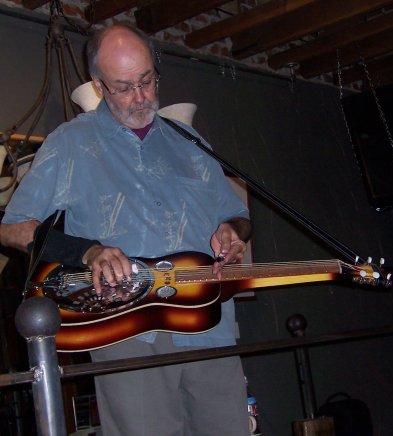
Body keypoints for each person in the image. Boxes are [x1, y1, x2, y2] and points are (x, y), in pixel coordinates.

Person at [0, 24, 252, 435]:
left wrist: (231, 230)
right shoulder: (69, 143)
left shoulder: (189, 140)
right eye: (123, 87)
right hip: (128, 329)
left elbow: (236, 214)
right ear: (98, 86)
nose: (140, 97)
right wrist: (86, 251)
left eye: (147, 80)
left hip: (210, 323)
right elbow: (11, 228)